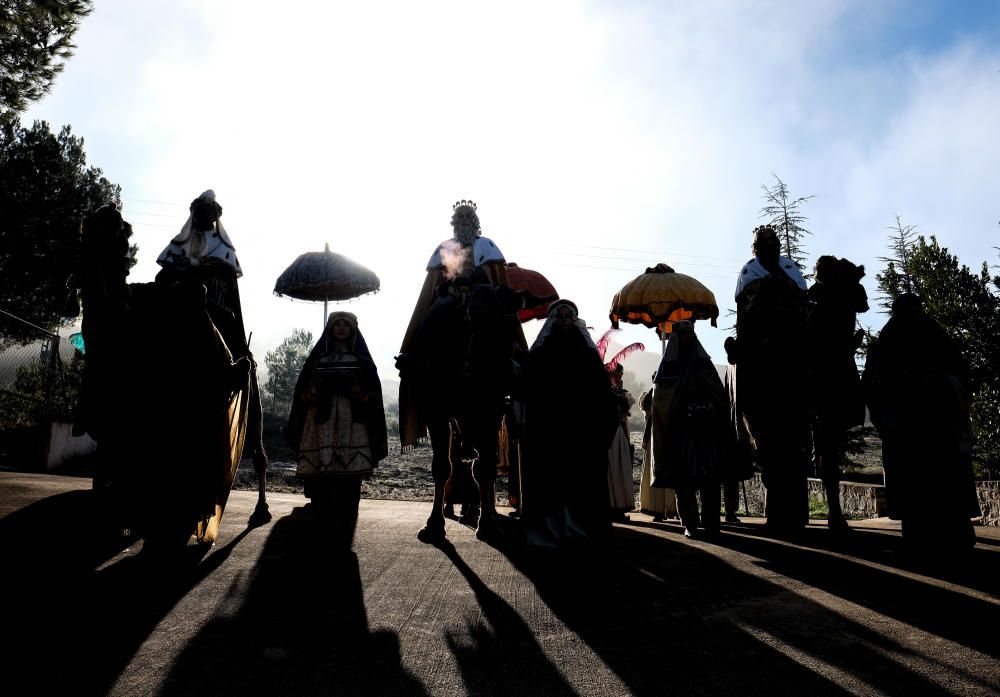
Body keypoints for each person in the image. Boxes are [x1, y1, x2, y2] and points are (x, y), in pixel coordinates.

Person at [155, 189, 270, 520]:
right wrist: (187, 270)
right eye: (200, 211)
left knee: (237, 363)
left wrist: (202, 272)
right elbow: (163, 276)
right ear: (194, 213)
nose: (205, 216)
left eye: (210, 212)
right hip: (178, 313)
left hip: (215, 314)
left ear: (216, 215)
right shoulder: (179, 245)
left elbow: (231, 294)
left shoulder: (223, 251)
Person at [863, 294, 979, 554]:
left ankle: (931, 537)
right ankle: (946, 536)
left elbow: (872, 386)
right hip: (923, 426)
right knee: (937, 483)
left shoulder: (894, 339)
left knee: (925, 484)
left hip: (924, 426)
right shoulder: (926, 335)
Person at [729, 224, 810, 532]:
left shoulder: (790, 271)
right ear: (756, 248)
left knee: (794, 442)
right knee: (770, 444)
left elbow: (802, 304)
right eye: (764, 243)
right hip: (761, 365)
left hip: (792, 363)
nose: (770, 247)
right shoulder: (750, 273)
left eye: (773, 242)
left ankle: (797, 513)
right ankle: (777, 513)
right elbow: (746, 314)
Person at [519, 300, 619, 548]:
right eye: (559, 316)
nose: (564, 320)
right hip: (548, 427)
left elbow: (600, 388)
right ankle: (549, 529)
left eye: (568, 316)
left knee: (578, 479)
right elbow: (527, 385)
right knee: (550, 480)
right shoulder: (541, 353)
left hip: (579, 428)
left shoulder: (586, 353)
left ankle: (579, 529)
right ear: (553, 320)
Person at [287, 312, 388, 545]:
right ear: (330, 329)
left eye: (346, 325)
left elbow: (372, 395)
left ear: (353, 330)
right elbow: (302, 395)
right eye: (336, 324)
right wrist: (317, 390)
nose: (341, 328)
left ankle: (345, 527)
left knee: (349, 481)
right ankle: (321, 527)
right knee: (322, 476)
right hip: (320, 424)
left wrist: (355, 391)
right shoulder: (318, 360)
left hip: (352, 424)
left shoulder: (361, 360)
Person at [649, 321, 733, 538]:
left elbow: (719, 394)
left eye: (690, 332)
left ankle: (712, 522)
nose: (687, 336)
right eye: (682, 333)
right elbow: (660, 397)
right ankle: (690, 523)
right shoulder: (668, 368)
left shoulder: (704, 364)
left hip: (707, 430)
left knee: (711, 480)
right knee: (683, 481)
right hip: (681, 431)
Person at [808, 255, 869, 531]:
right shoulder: (836, 298)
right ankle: (834, 511)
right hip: (831, 377)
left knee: (828, 445)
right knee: (829, 445)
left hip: (823, 378)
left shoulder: (819, 299)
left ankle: (833, 510)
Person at [607, 364, 636, 521]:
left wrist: (617, 395)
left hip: (621, 437)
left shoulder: (623, 393)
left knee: (622, 470)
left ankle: (619, 508)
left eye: (620, 375)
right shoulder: (603, 393)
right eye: (616, 375)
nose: (619, 378)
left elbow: (629, 402)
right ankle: (611, 508)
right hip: (609, 438)